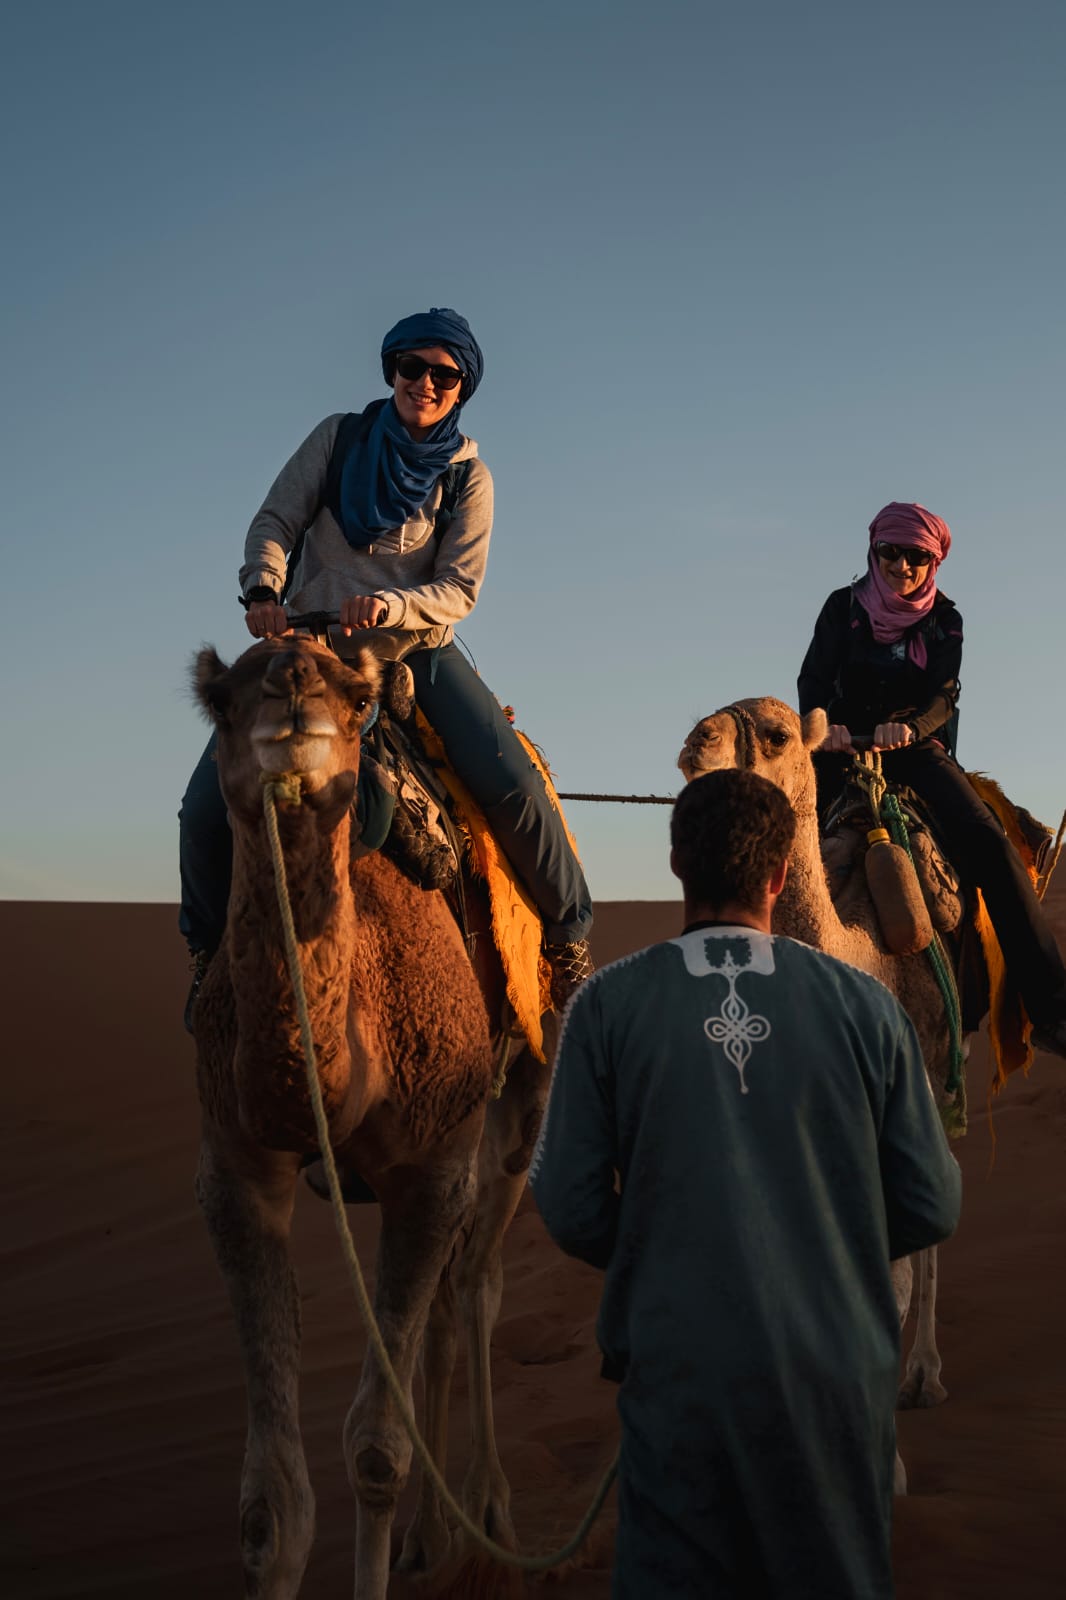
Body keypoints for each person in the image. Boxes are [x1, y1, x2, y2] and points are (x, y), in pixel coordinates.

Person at [530, 768, 962, 1599]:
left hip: (679, 1380)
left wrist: (672, 1261)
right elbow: (932, 1202)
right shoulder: (869, 1010)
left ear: (676, 865)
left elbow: (570, 1205)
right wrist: (826, 1249)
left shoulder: (605, 1005)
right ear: (778, 876)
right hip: (837, 1381)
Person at [179, 307, 593, 1020]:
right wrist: (264, 588)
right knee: (204, 806)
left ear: (462, 386)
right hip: (309, 652)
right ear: (391, 370)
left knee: (515, 786)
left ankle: (569, 944)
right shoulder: (339, 439)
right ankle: (209, 956)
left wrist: (392, 609)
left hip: (412, 653)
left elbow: (459, 588)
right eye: (413, 368)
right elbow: (276, 520)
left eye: (444, 374)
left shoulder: (468, 477)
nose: (425, 384)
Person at [797, 500, 1066, 1059]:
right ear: (872, 552)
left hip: (914, 751)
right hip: (838, 750)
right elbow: (812, 680)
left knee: (991, 846)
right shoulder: (840, 608)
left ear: (934, 560)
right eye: (889, 553)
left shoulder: (944, 619)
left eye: (916, 556)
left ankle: (1052, 1009)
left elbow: (945, 693)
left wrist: (911, 728)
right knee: (774, 840)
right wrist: (828, 726)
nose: (902, 566)